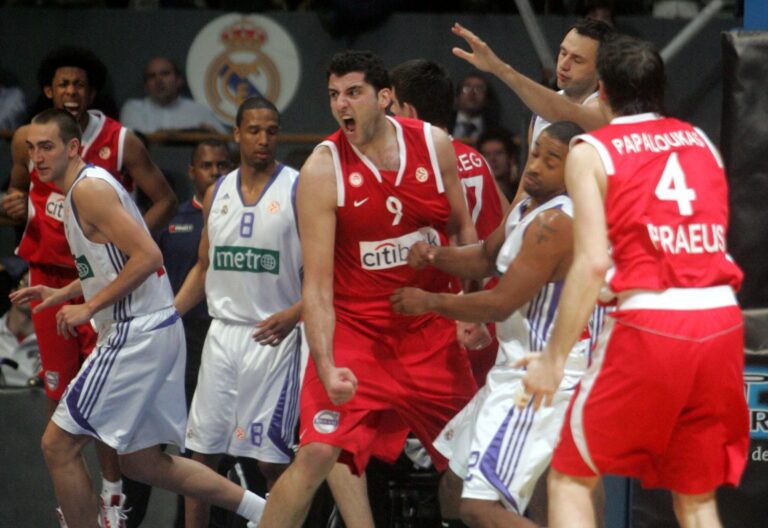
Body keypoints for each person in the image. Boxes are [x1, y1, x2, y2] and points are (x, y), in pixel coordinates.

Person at [519, 35, 749, 528]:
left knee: (570, 477)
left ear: (602, 90)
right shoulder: (700, 141)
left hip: (655, 325)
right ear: (660, 87)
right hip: (721, 321)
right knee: (696, 499)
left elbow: (592, 263)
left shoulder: (590, 150)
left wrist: (553, 361)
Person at [11, 108, 266, 528]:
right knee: (142, 462)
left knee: (58, 445)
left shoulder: (88, 190)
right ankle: (263, 511)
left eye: (47, 147)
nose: (37, 157)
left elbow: (148, 257)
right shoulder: (83, 187)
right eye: (31, 148)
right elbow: (112, 264)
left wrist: (89, 306)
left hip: (135, 334)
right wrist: (66, 292)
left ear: (73, 147)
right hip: (154, 329)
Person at [258, 50, 479, 528]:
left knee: (474, 466)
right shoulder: (322, 169)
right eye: (334, 95)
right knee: (317, 453)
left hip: (429, 333)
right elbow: (318, 287)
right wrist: (326, 364)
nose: (342, 104)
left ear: (384, 98)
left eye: (354, 92)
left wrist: (470, 309)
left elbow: (464, 232)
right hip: (357, 335)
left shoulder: (434, 144)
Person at [1, 45, 177, 527]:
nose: (72, 91)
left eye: (80, 84)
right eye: (63, 83)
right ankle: (77, 504)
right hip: (51, 281)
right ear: (48, 90)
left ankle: (112, 497)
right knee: (62, 400)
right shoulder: (28, 140)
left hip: (104, 286)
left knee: (101, 402)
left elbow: (163, 204)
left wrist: (127, 241)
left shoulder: (117, 145)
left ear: (93, 92)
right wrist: (11, 202)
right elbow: (15, 191)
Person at [391, 120, 588, 528]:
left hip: (541, 379)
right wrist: (436, 256)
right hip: (511, 368)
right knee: (453, 490)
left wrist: (429, 302)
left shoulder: (557, 224)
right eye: (535, 153)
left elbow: (500, 304)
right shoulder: (527, 206)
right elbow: (485, 257)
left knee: (478, 508)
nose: (535, 166)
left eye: (550, 161)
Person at [174, 96, 303, 528]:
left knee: (271, 462)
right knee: (202, 454)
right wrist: (169, 315)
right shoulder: (217, 192)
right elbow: (204, 266)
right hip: (222, 334)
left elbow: (329, 273)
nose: (263, 139)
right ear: (236, 134)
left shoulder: (298, 188)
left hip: (274, 337)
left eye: (272, 131)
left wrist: (296, 313)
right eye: (254, 130)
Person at [156, 139, 232, 408]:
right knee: (183, 402)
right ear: (191, 171)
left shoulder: (243, 218)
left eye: (222, 165)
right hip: (183, 328)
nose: (215, 172)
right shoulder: (171, 220)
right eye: (206, 165)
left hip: (225, 325)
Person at [451, 19, 613, 143]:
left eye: (577, 60)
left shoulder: (607, 111)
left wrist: (499, 68)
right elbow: (530, 171)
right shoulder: (539, 112)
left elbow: (565, 113)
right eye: (563, 53)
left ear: (601, 70)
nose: (564, 65)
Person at [120, 56, 227, 134]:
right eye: (152, 76)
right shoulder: (134, 109)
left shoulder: (199, 111)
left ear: (179, 80)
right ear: (146, 85)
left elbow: (232, 148)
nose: (158, 80)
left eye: (165, 74)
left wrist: (214, 136)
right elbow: (131, 144)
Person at [0, 269, 39, 388]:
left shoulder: (51, 341)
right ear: (13, 292)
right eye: (26, 284)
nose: (30, 292)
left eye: (36, 288)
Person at [449, 74, 500, 143]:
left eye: (479, 89)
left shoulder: (494, 130)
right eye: (467, 88)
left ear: (487, 99)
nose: (472, 93)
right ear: (457, 97)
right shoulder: (443, 123)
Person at [477, 128, 521, 201]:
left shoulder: (522, 195)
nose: (492, 159)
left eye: (498, 153)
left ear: (511, 158)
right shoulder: (474, 196)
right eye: (486, 154)